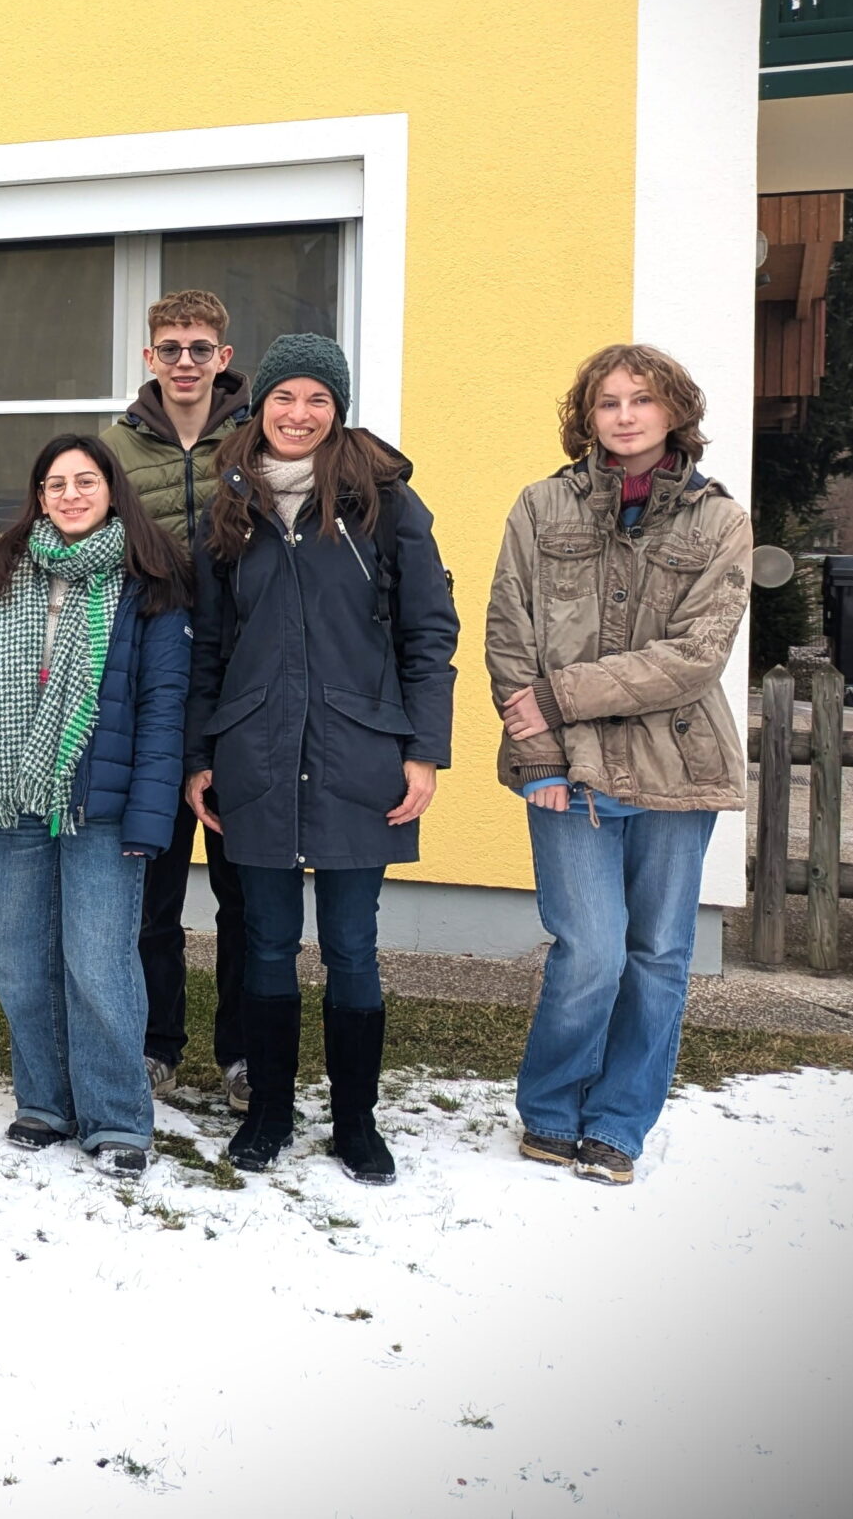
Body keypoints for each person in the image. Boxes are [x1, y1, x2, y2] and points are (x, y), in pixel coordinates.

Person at [184, 333, 458, 1184]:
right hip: (255, 751)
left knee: (350, 944)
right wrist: (201, 753)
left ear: (338, 410)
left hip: (358, 754)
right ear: (258, 405)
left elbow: (428, 633)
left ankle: (356, 1122)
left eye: (317, 400)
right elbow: (208, 647)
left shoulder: (386, 504)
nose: (298, 415)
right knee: (265, 942)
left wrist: (424, 751)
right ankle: (267, 1111)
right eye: (283, 398)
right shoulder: (228, 508)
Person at [489, 344, 748, 1188]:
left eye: (643, 400)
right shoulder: (539, 506)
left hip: (679, 769)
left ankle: (618, 1123)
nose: (626, 415)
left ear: (675, 411)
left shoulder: (721, 522)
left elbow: (695, 657)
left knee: (659, 955)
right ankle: (553, 1109)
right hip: (568, 771)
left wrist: (561, 696)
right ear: (587, 417)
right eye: (608, 403)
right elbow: (508, 630)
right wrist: (537, 755)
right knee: (590, 951)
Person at [0, 434, 192, 1171]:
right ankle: (45, 1102)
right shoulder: (3, 572)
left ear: (113, 489)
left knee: (98, 963)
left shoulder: (150, 580)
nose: (71, 494)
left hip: (102, 805)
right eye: (55, 484)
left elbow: (163, 706)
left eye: (86, 481)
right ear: (37, 496)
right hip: (18, 793)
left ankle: (117, 1119)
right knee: (16, 960)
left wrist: (150, 816)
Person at [98, 288, 254, 1106]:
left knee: (241, 892)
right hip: (150, 688)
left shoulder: (259, 440)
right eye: (170, 347)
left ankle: (241, 1054)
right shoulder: (113, 447)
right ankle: (157, 1042)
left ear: (223, 358)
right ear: (149, 358)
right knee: (151, 886)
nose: (185, 361)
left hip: (239, 689)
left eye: (200, 347)